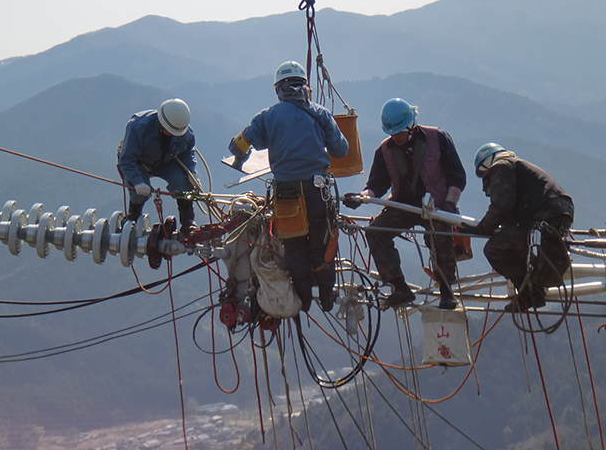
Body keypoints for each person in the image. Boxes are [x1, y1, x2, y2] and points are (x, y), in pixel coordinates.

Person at [228, 61, 349, 312]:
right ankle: (326, 296)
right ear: (306, 87)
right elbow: (341, 149)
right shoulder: (320, 114)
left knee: (294, 247)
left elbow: (238, 146)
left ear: (278, 89)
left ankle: (303, 299)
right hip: (318, 192)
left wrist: (241, 157)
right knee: (323, 241)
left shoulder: (267, 116)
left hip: (286, 196)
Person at [343, 98, 466, 309]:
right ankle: (398, 286)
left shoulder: (438, 138)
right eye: (392, 133)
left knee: (440, 237)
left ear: (411, 126)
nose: (396, 137)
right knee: (376, 232)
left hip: (436, 205)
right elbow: (377, 185)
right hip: (402, 205)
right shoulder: (385, 151)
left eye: (399, 132)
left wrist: (449, 204)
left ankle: (447, 291)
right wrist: (361, 197)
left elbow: (457, 176)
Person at [467, 143, 574, 313]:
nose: (485, 178)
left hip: (542, 213)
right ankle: (534, 289)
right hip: (562, 211)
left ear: (487, 164)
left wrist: (481, 228)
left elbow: (502, 205)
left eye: (483, 173)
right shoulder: (517, 167)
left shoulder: (500, 166)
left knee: (495, 249)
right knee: (521, 245)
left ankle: (528, 292)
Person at [117, 98, 199, 236]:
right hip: (138, 162)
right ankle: (133, 216)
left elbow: (187, 153)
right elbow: (126, 160)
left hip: (165, 161)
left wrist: (192, 174)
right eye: (170, 131)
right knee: (139, 193)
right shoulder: (138, 126)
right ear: (161, 123)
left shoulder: (184, 131)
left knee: (183, 183)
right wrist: (138, 181)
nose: (173, 134)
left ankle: (188, 223)